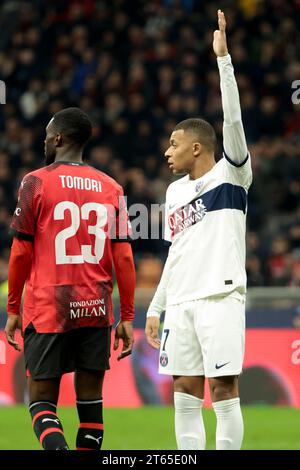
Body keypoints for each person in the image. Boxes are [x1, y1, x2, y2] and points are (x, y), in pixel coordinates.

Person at [145, 10, 252, 450]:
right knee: (184, 395)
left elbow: (233, 121)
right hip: (182, 303)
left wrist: (224, 61)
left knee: (223, 391)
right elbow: (176, 253)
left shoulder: (231, 174)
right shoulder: (172, 194)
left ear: (196, 147)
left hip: (220, 297)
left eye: (173, 144)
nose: (167, 151)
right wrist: (155, 307)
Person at [5, 107, 135, 450]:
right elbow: (123, 256)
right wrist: (128, 316)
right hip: (95, 306)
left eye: (48, 135)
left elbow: (20, 252)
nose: (44, 140)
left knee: (42, 400)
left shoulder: (35, 181)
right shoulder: (112, 187)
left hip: (48, 306)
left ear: (59, 138)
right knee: (91, 401)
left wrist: (14, 308)